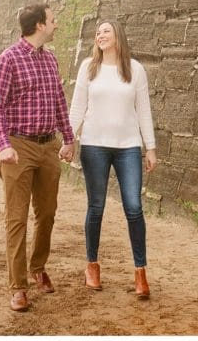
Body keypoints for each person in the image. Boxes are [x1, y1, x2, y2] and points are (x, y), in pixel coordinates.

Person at [0, 3, 76, 312]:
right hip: (18, 147)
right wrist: (3, 145)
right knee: (17, 218)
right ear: (39, 25)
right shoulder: (8, 59)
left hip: (48, 146)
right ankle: (18, 286)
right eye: (52, 20)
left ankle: (38, 267)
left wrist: (68, 138)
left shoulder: (51, 60)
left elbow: (59, 102)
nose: (56, 24)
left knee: (48, 213)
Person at [68, 19, 157, 299]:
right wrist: (69, 138)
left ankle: (140, 272)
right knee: (96, 207)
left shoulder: (135, 69)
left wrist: (150, 147)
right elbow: (77, 107)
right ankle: (92, 266)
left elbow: (143, 110)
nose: (100, 34)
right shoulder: (88, 67)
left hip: (128, 146)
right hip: (94, 145)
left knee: (134, 207)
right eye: (98, 32)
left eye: (106, 30)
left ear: (118, 36)